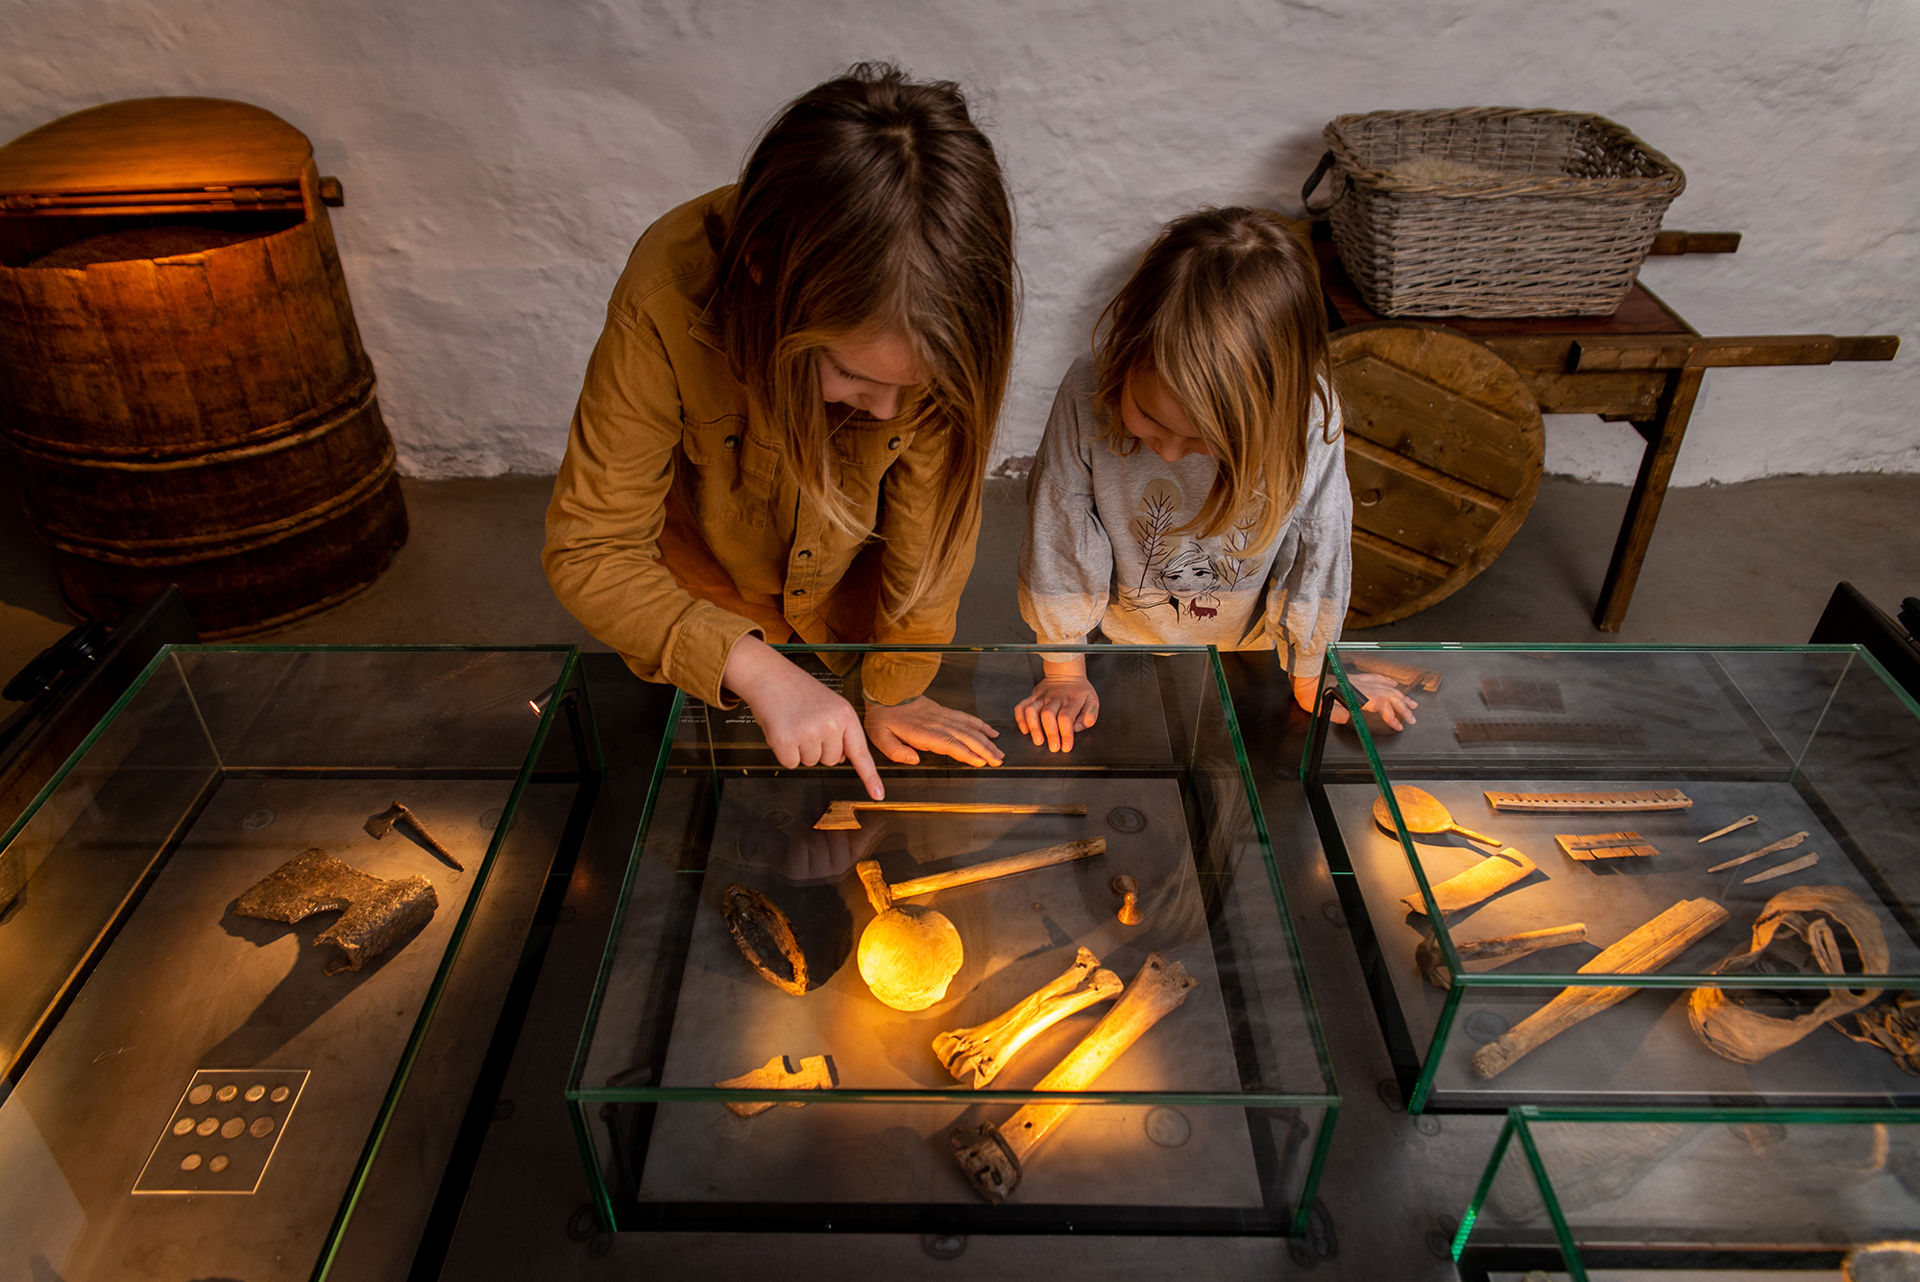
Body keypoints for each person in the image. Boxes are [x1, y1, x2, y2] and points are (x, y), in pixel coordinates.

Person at [545, 64, 1019, 797]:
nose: (887, 413)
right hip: (701, 600)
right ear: (768, 276)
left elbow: (934, 540)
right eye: (855, 378)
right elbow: (592, 548)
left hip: (848, 620)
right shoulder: (666, 295)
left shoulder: (949, 307)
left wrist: (894, 687)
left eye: (910, 389)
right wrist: (752, 665)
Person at [1013, 206, 1417, 751]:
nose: (1173, 452)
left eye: (1205, 439)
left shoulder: (1309, 416)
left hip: (1250, 654)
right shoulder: (1087, 391)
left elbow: (1318, 545)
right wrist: (1063, 669)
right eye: (1151, 420)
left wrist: (1311, 670)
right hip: (1116, 647)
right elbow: (1059, 531)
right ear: (1129, 353)